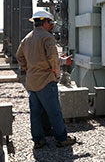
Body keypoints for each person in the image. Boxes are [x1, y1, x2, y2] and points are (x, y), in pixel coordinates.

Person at [16, 10, 77, 149]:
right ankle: (62, 138)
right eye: (50, 23)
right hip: (46, 80)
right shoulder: (47, 37)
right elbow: (52, 58)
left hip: (32, 81)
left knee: (36, 112)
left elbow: (20, 56)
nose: (52, 25)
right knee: (54, 110)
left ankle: (39, 139)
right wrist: (56, 72)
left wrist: (28, 68)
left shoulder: (27, 38)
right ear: (44, 22)